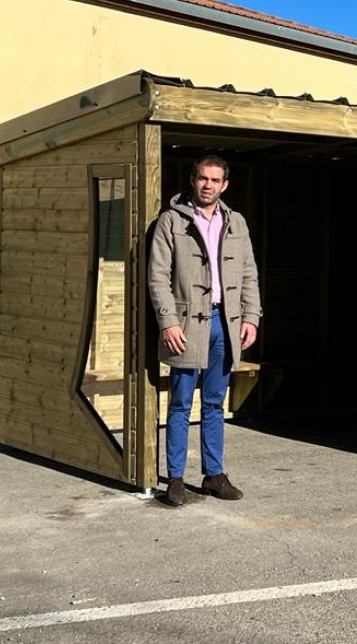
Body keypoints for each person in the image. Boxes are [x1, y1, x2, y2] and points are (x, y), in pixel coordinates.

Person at [148, 154, 262, 506]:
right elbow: (157, 276)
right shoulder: (171, 221)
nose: (208, 185)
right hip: (186, 324)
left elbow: (248, 274)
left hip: (225, 324)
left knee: (214, 402)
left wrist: (251, 317)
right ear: (192, 180)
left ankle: (214, 475)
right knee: (181, 403)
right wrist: (167, 321)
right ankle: (177, 480)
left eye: (215, 180)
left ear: (224, 185)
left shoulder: (236, 222)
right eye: (202, 178)